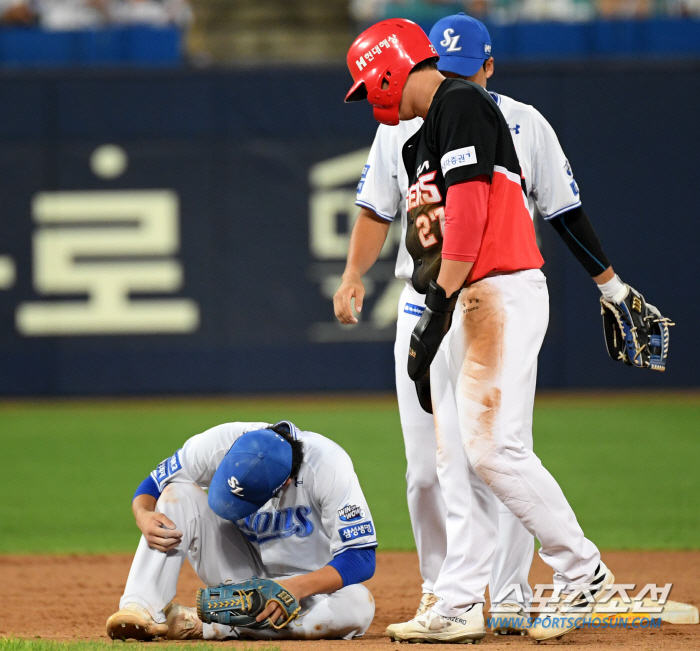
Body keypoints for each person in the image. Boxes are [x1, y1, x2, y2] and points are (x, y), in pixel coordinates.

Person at [336, 12, 640, 637]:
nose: (370, 101)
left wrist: (441, 301)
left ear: (391, 69)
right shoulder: (419, 136)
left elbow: (473, 210)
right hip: (460, 297)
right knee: (453, 462)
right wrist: (430, 311)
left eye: (370, 86)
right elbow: (430, 238)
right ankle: (457, 601)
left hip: (495, 290)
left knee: (495, 451)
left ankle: (582, 575)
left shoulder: (463, 104)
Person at [106, 420, 377, 641]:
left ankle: (203, 625)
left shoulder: (328, 466)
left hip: (306, 590)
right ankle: (141, 607)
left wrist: (294, 588)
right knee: (177, 494)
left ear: (285, 483)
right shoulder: (219, 442)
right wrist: (143, 514)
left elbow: (361, 556)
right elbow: (154, 482)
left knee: (359, 605)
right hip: (238, 579)